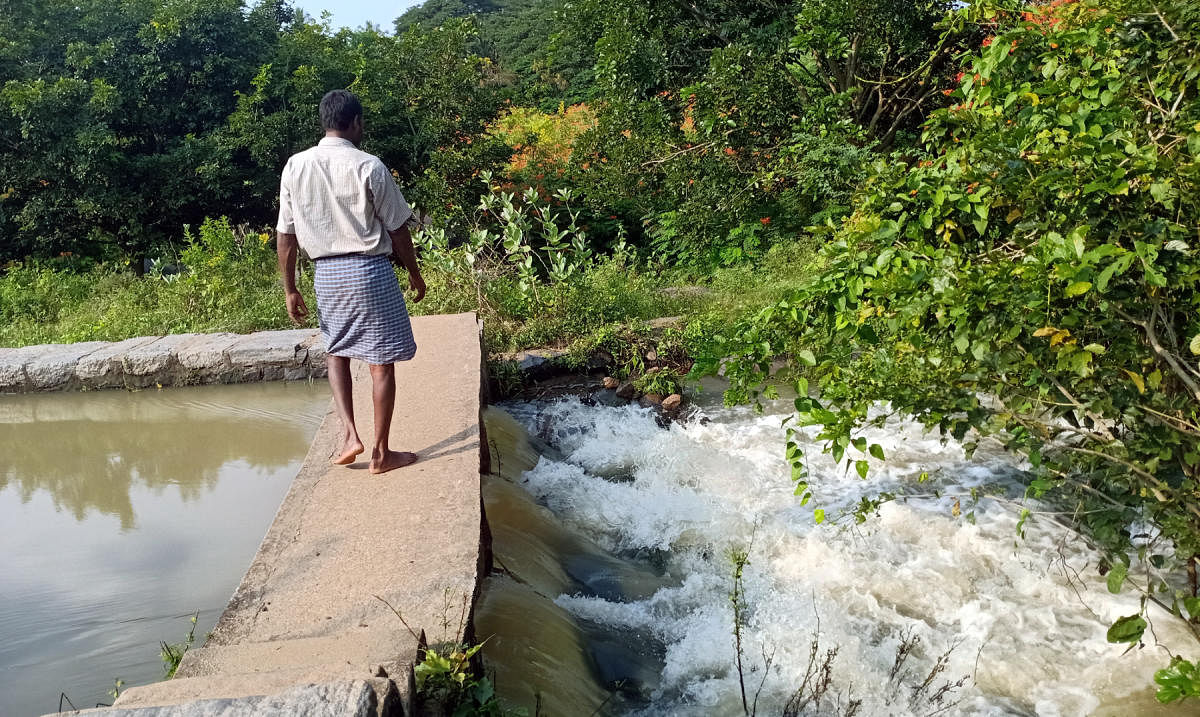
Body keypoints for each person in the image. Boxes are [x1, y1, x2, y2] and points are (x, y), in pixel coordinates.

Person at [275, 89, 427, 475]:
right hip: (369, 272)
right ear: (355, 122)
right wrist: (413, 272)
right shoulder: (369, 166)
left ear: (325, 122)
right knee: (380, 364)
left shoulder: (295, 166)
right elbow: (397, 229)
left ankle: (349, 435)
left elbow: (286, 234)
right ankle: (380, 453)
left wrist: (290, 287)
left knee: (336, 352)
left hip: (326, 274)